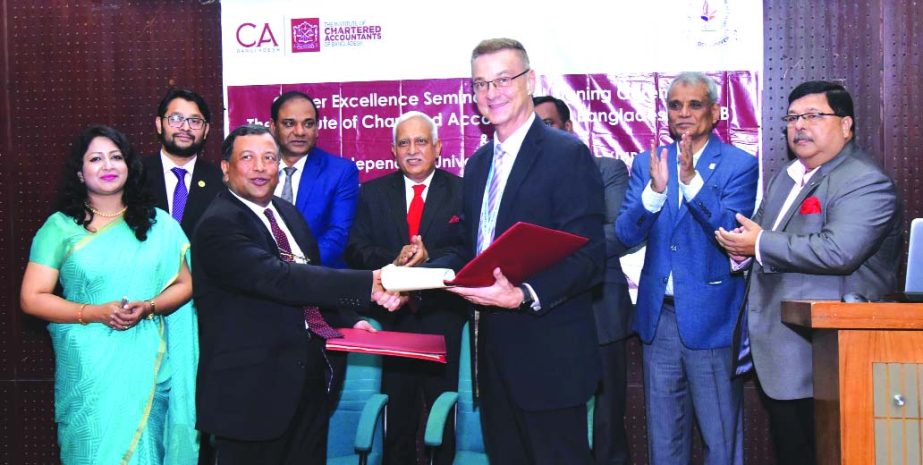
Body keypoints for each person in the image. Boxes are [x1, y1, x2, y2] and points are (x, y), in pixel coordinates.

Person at [427, 38, 605, 465]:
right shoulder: (478, 164)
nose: (492, 93)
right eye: (481, 83)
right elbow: (468, 249)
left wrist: (524, 294)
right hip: (493, 362)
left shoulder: (567, 155)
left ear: (531, 80)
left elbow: (590, 257)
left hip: (551, 361)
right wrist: (415, 280)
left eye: (504, 79)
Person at [192, 124, 403, 464]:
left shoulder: (286, 212)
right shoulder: (220, 224)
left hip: (306, 382)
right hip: (251, 394)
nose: (261, 167)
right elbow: (280, 279)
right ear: (225, 168)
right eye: (248, 158)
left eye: (269, 158)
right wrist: (369, 283)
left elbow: (310, 285)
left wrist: (350, 321)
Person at [715, 81, 902, 465]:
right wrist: (743, 250)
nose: (799, 126)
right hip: (785, 352)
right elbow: (764, 235)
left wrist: (760, 244)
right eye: (793, 118)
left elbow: (839, 251)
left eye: (814, 116)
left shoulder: (864, 180)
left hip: (832, 356)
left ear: (846, 125)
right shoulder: (788, 176)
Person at [20, 125, 199, 465]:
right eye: (96, 159)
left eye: (116, 157)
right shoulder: (60, 228)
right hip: (89, 368)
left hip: (148, 363)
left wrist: (148, 307)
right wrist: (94, 312)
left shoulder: (159, 224)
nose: (108, 166)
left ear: (129, 166)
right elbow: (32, 297)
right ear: (79, 171)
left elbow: (185, 284)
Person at [614, 72, 758, 465]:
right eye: (675, 105)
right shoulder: (649, 162)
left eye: (695, 104)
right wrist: (655, 193)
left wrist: (692, 181)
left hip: (711, 319)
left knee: (720, 439)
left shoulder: (739, 164)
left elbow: (731, 229)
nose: (684, 113)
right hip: (658, 318)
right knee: (664, 440)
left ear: (714, 111)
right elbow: (625, 233)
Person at [345, 111, 466, 465]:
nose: (413, 150)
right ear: (393, 151)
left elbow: (469, 250)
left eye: (421, 141)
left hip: (442, 319)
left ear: (438, 147)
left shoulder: (461, 192)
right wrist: (393, 261)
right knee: (397, 417)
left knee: (446, 416)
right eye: (404, 143)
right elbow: (355, 248)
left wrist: (430, 259)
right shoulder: (372, 192)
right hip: (392, 320)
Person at [533, 94, 633, 465]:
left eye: (548, 124)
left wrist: (548, 246)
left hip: (599, 311)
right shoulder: (522, 179)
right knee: (552, 426)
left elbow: (619, 234)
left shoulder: (606, 169)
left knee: (607, 427)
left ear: (568, 128)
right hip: (541, 314)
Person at [269, 90, 359, 268]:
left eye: (308, 124)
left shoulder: (340, 172)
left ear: (317, 128)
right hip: (262, 279)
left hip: (318, 279)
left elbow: (338, 234)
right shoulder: (258, 169)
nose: (300, 132)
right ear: (273, 127)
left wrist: (296, 268)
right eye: (289, 124)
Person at [142, 88, 224, 237]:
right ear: (159, 124)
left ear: (206, 130)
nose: (185, 127)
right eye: (176, 119)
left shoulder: (221, 182)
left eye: (195, 121)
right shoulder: (136, 175)